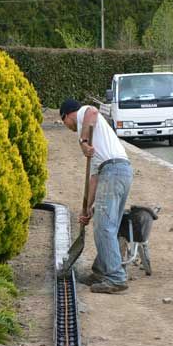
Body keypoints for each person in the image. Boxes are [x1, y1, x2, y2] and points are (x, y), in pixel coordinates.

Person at [59, 98, 133, 294]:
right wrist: (87, 208)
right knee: (107, 225)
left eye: (64, 123)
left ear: (66, 115)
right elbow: (94, 178)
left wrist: (83, 142)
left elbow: (93, 111)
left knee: (104, 228)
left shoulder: (84, 114)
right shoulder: (95, 142)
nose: (67, 127)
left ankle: (116, 278)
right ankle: (100, 272)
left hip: (113, 170)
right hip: (118, 171)